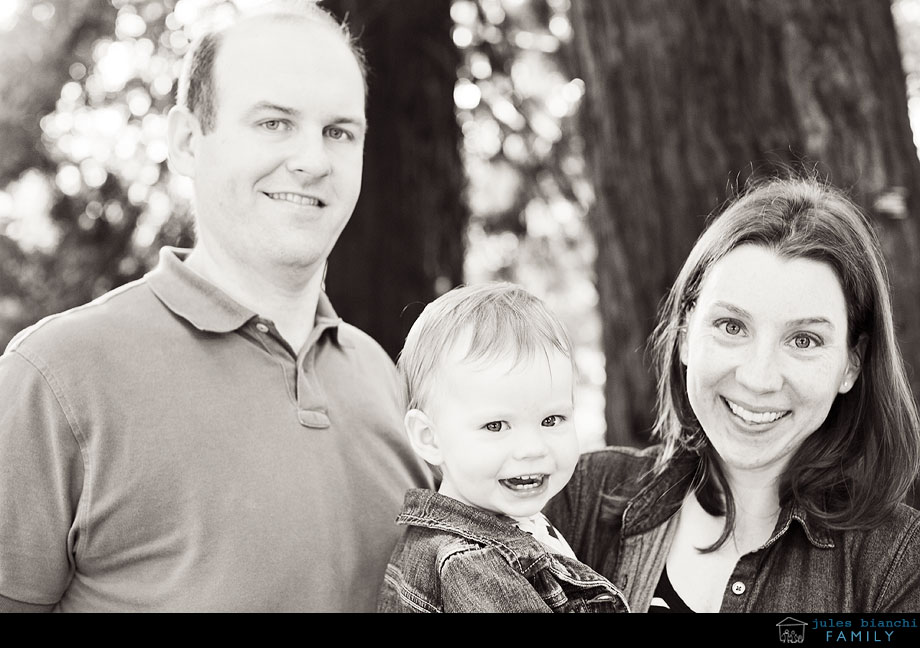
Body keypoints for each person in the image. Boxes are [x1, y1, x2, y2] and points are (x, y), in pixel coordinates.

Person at [0, 1, 433, 612]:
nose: (312, 160)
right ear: (186, 141)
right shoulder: (56, 377)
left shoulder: (387, 382)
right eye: (274, 123)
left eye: (339, 131)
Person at [546, 175, 920, 612]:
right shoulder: (574, 497)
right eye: (732, 327)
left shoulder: (899, 563)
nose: (759, 379)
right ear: (686, 334)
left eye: (804, 340)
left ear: (851, 364)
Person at [378, 282, 629, 612]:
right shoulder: (470, 565)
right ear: (429, 437)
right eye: (495, 426)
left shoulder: (498, 531)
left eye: (552, 420)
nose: (531, 448)